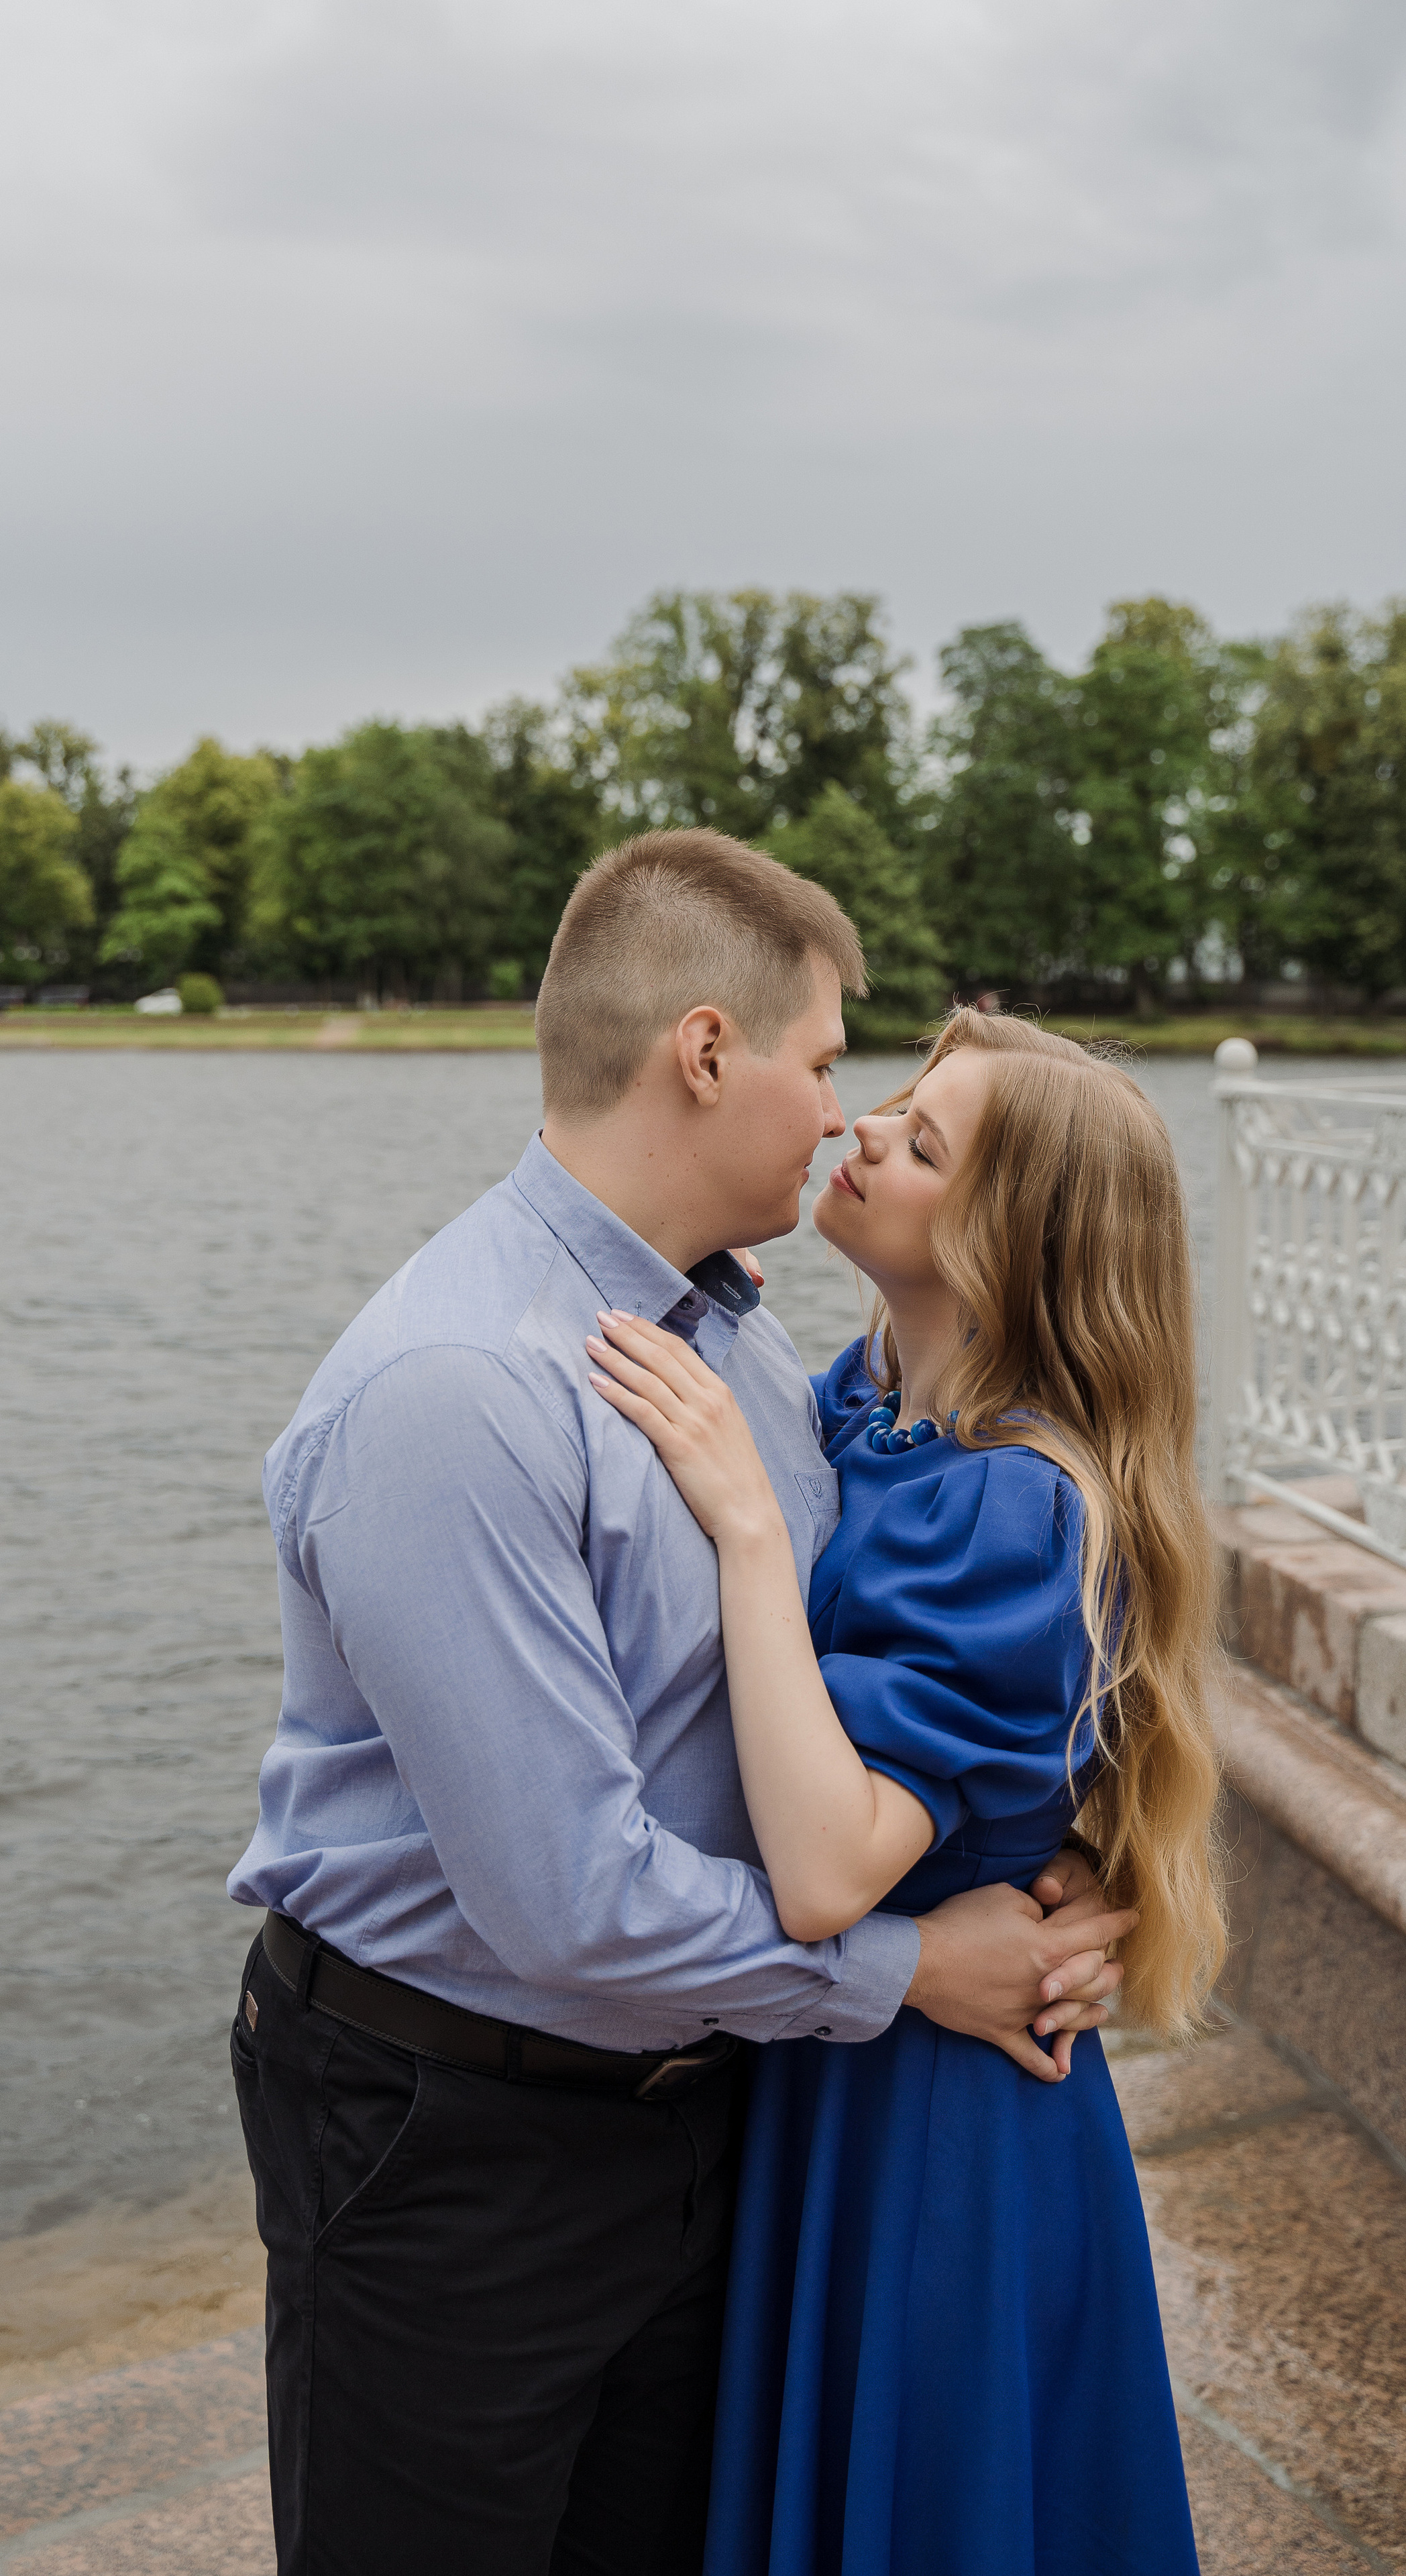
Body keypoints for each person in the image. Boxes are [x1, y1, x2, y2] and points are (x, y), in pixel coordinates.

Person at [227, 833, 1134, 2576]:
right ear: (708, 1055)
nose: (838, 1115)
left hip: (713, 2109)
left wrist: (1056, 1856)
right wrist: (911, 1969)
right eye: (820, 1065)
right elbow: (567, 1901)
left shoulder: (745, 1356)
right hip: (454, 2135)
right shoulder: (463, 1392)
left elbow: (955, 1632)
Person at [587, 1008, 1222, 2575]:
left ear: (1013, 1249)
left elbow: (825, 1873)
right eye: (885, 1103)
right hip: (851, 2058)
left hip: (935, 2128)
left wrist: (742, 1523)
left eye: (922, 1143)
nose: (860, 1132)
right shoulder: (867, 1398)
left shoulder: (1011, 1503)